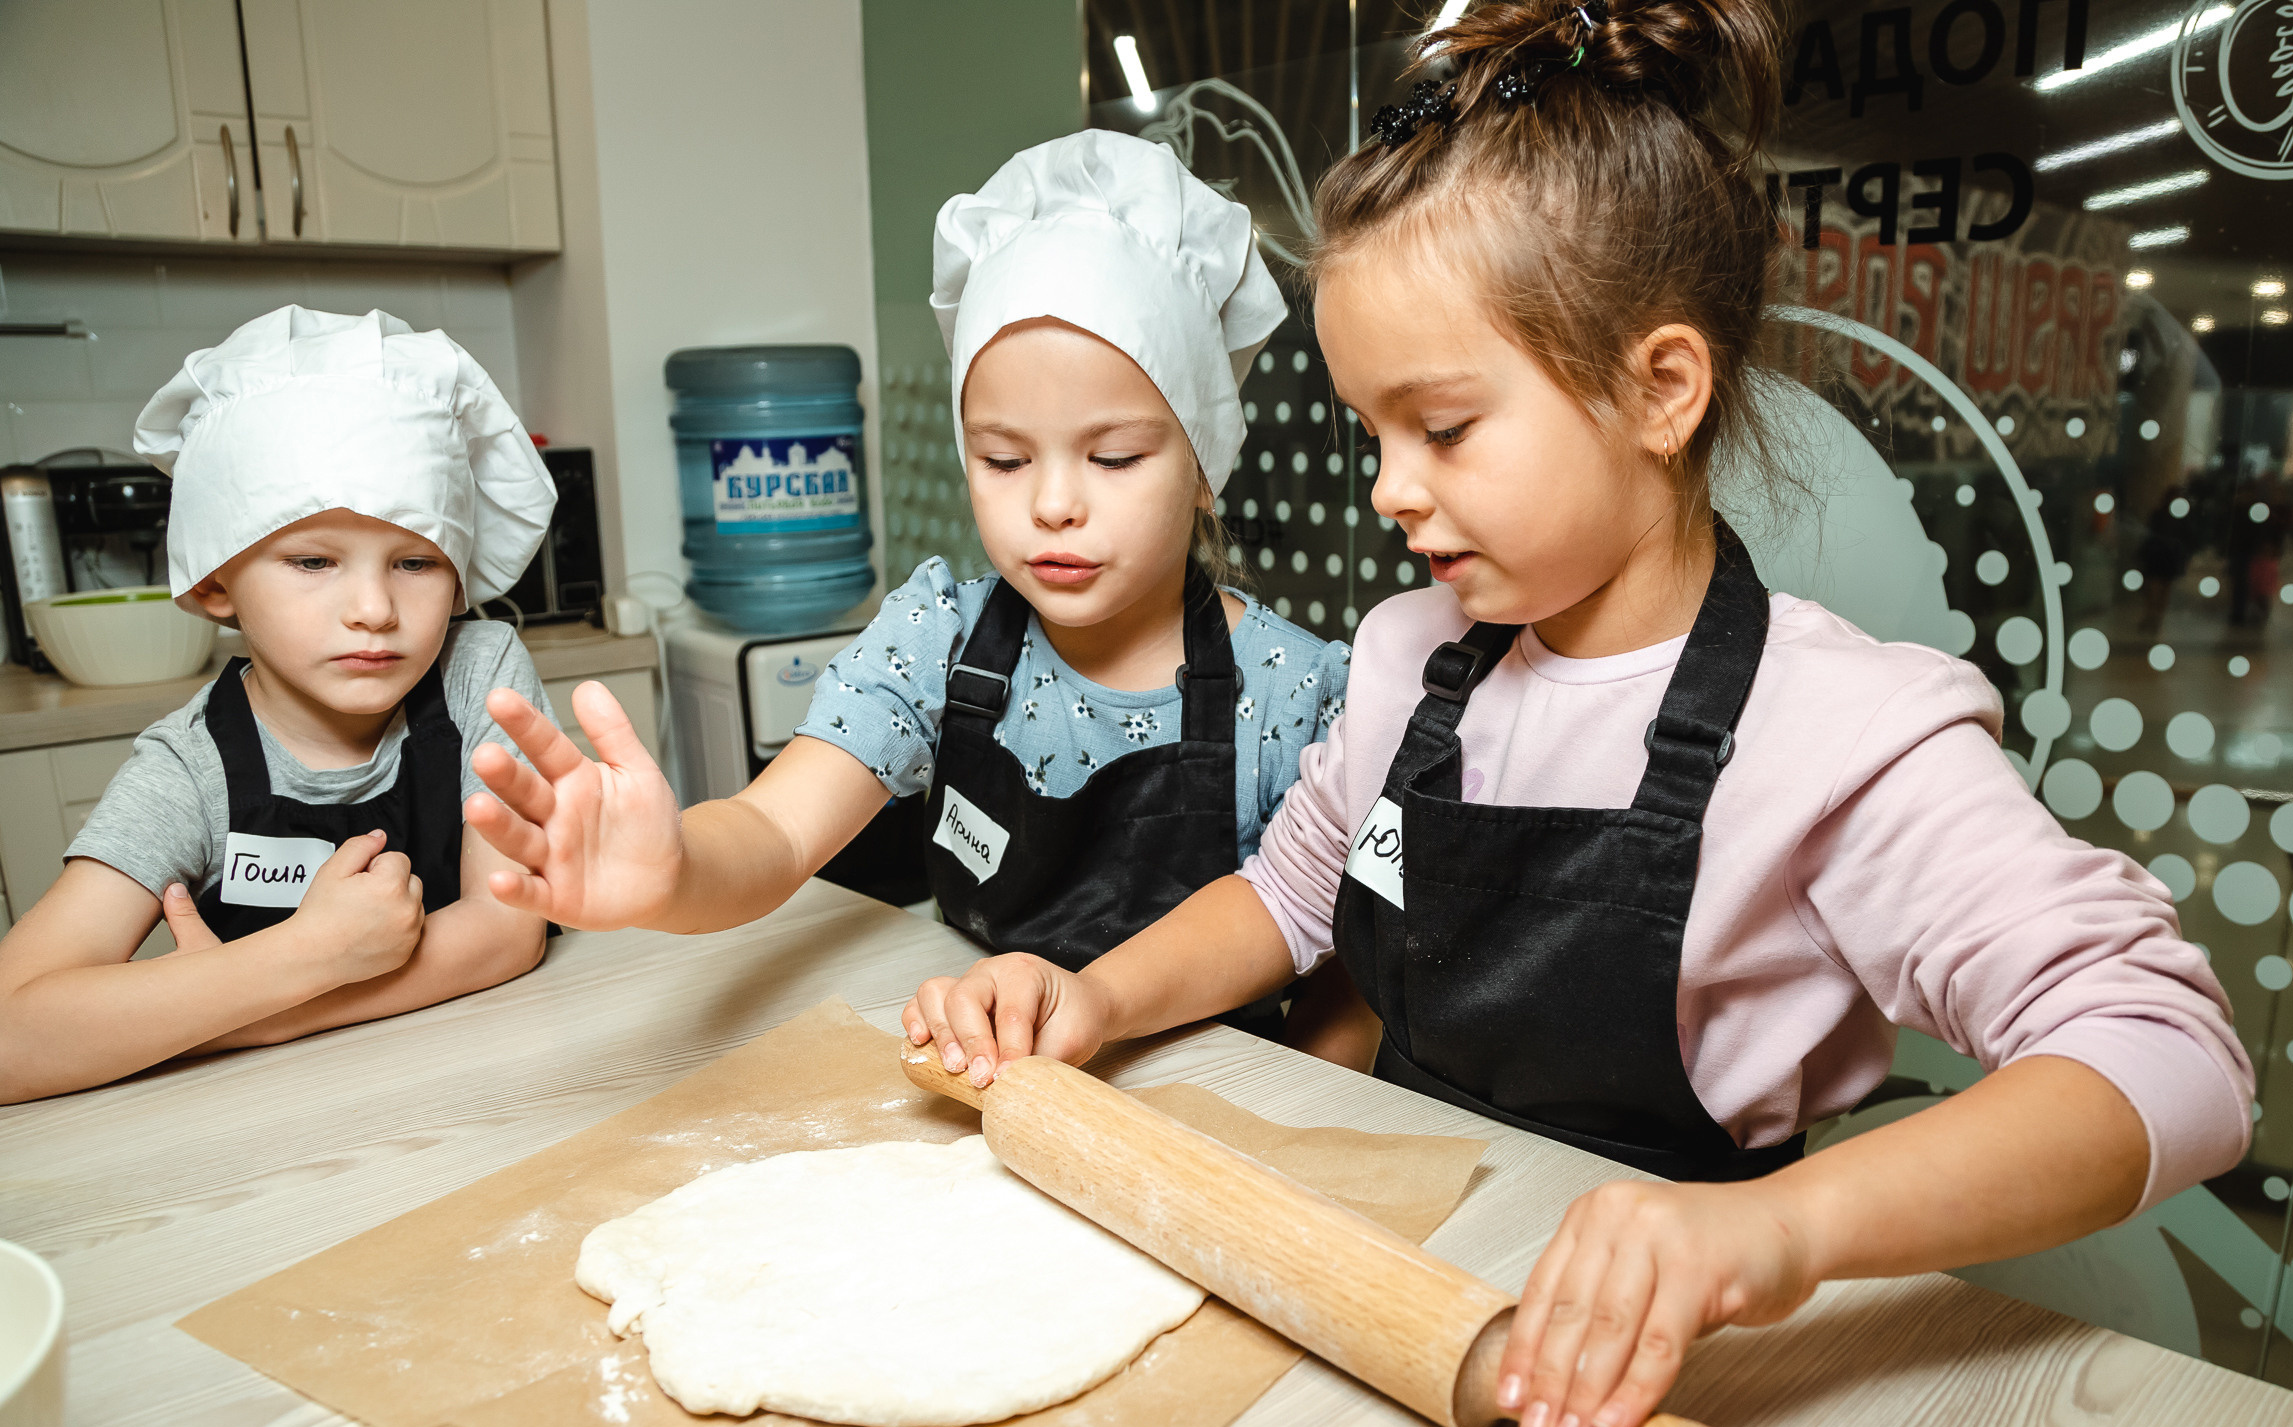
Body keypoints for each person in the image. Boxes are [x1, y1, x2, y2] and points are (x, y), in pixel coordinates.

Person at [904, 1, 2251, 1427]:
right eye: (1373, 433)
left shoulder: (1835, 731)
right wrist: (1094, 998)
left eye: (1443, 429)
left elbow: (2166, 1050)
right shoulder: (1409, 658)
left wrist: (1772, 1234)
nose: (1390, 490)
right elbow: (1290, 894)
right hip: (1397, 1290)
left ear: (1659, 390)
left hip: (1657, 1363)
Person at [464, 131, 1351, 1039]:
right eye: (1003, 459)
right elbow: (777, 833)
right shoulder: (938, 641)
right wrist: (677, 871)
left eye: (1114, 457)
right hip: (989, 1062)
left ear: (1205, 464)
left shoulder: (1297, 696)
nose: (1053, 505)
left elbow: (1342, 967)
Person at [0, 307, 559, 1102]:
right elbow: (11, 1038)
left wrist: (248, 1013)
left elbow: (507, 931)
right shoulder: (189, 770)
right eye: (312, 561)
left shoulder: (480, 673)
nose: (374, 609)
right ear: (214, 581)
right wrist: (306, 955)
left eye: (415, 561)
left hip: (493, 1087)